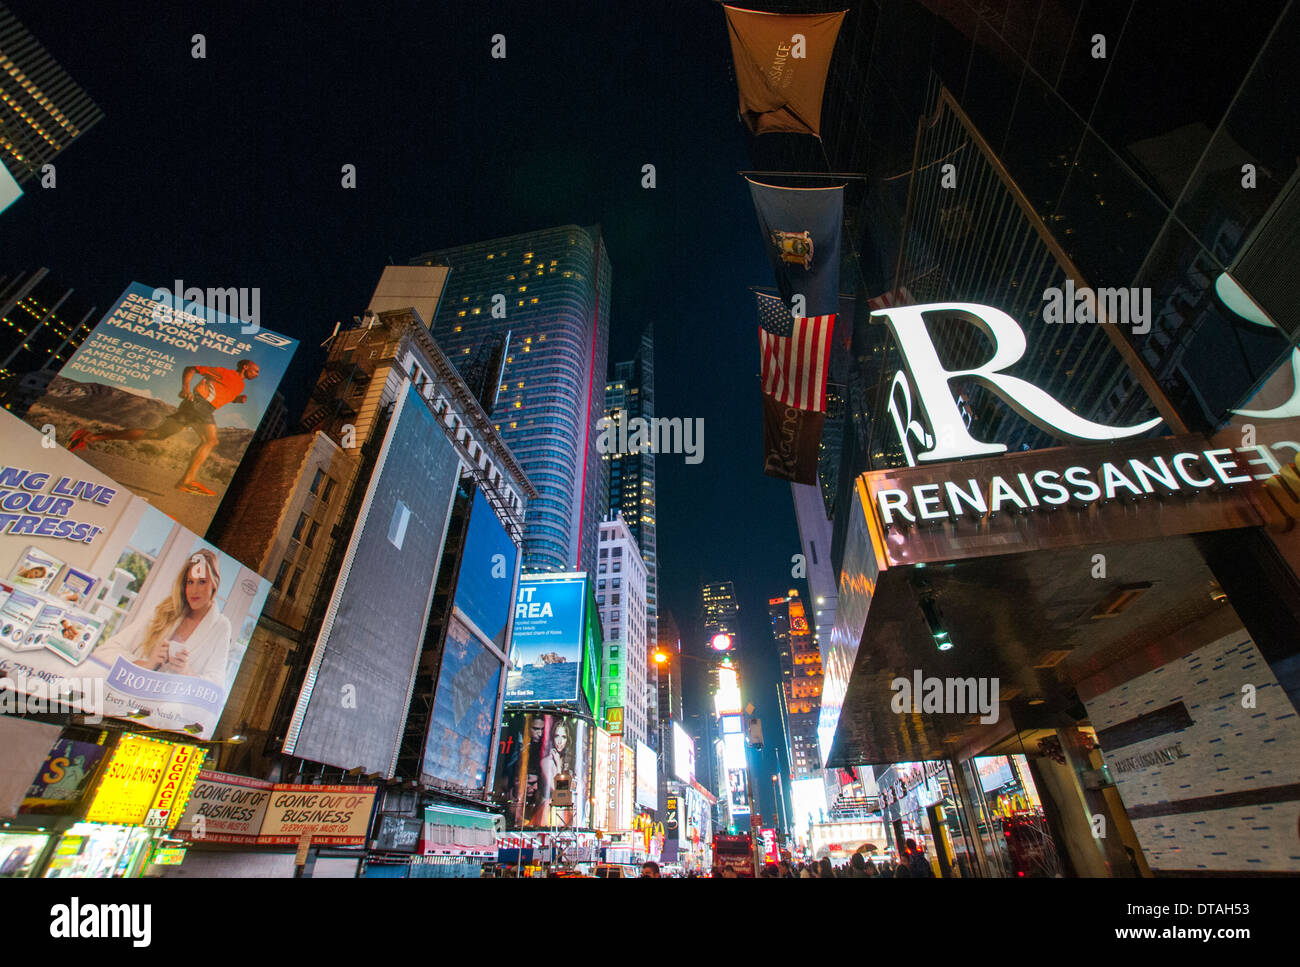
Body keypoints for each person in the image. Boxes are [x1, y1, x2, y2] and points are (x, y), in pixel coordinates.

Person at [68, 359, 260, 496]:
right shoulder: (224, 372)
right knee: (210, 440)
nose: (256, 374)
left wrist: (237, 400)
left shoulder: (240, 385)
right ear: (245, 367)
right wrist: (186, 388)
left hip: (202, 408)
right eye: (255, 370)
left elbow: (224, 394)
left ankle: (89, 437)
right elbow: (191, 368)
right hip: (198, 405)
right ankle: (186, 481)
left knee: (157, 434)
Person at [93, 549, 231, 688]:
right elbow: (106, 650)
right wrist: (147, 665)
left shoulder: (221, 626)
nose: (194, 590)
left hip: (167, 707)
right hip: (129, 694)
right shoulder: (165, 610)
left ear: (214, 583)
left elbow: (217, 685)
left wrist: (186, 673)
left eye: (202, 582)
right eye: (190, 582)